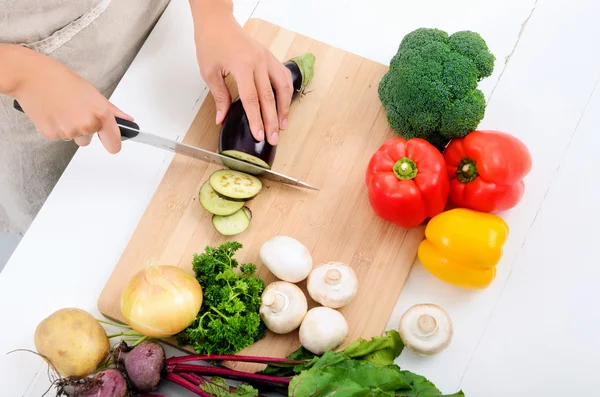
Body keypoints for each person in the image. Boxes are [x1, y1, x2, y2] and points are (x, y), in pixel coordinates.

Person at [0, 0, 293, 237]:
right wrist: (22, 76)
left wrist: (214, 16)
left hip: (153, 28)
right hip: (31, 92)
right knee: (73, 226)